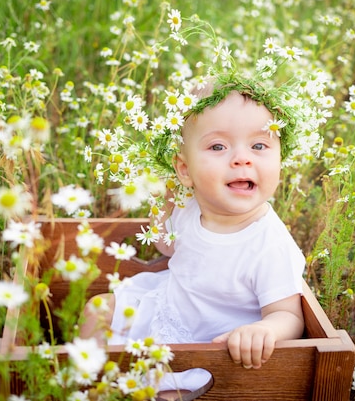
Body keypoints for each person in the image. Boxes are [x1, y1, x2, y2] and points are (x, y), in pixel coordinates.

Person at [81, 78, 307, 399]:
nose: (242, 159)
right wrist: (166, 198)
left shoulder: (269, 242)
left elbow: (288, 315)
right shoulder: (190, 205)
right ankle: (84, 382)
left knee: (166, 392)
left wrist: (262, 330)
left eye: (259, 145)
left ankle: (121, 384)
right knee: (97, 310)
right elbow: (166, 245)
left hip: (211, 347)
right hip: (168, 308)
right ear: (185, 169)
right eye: (218, 146)